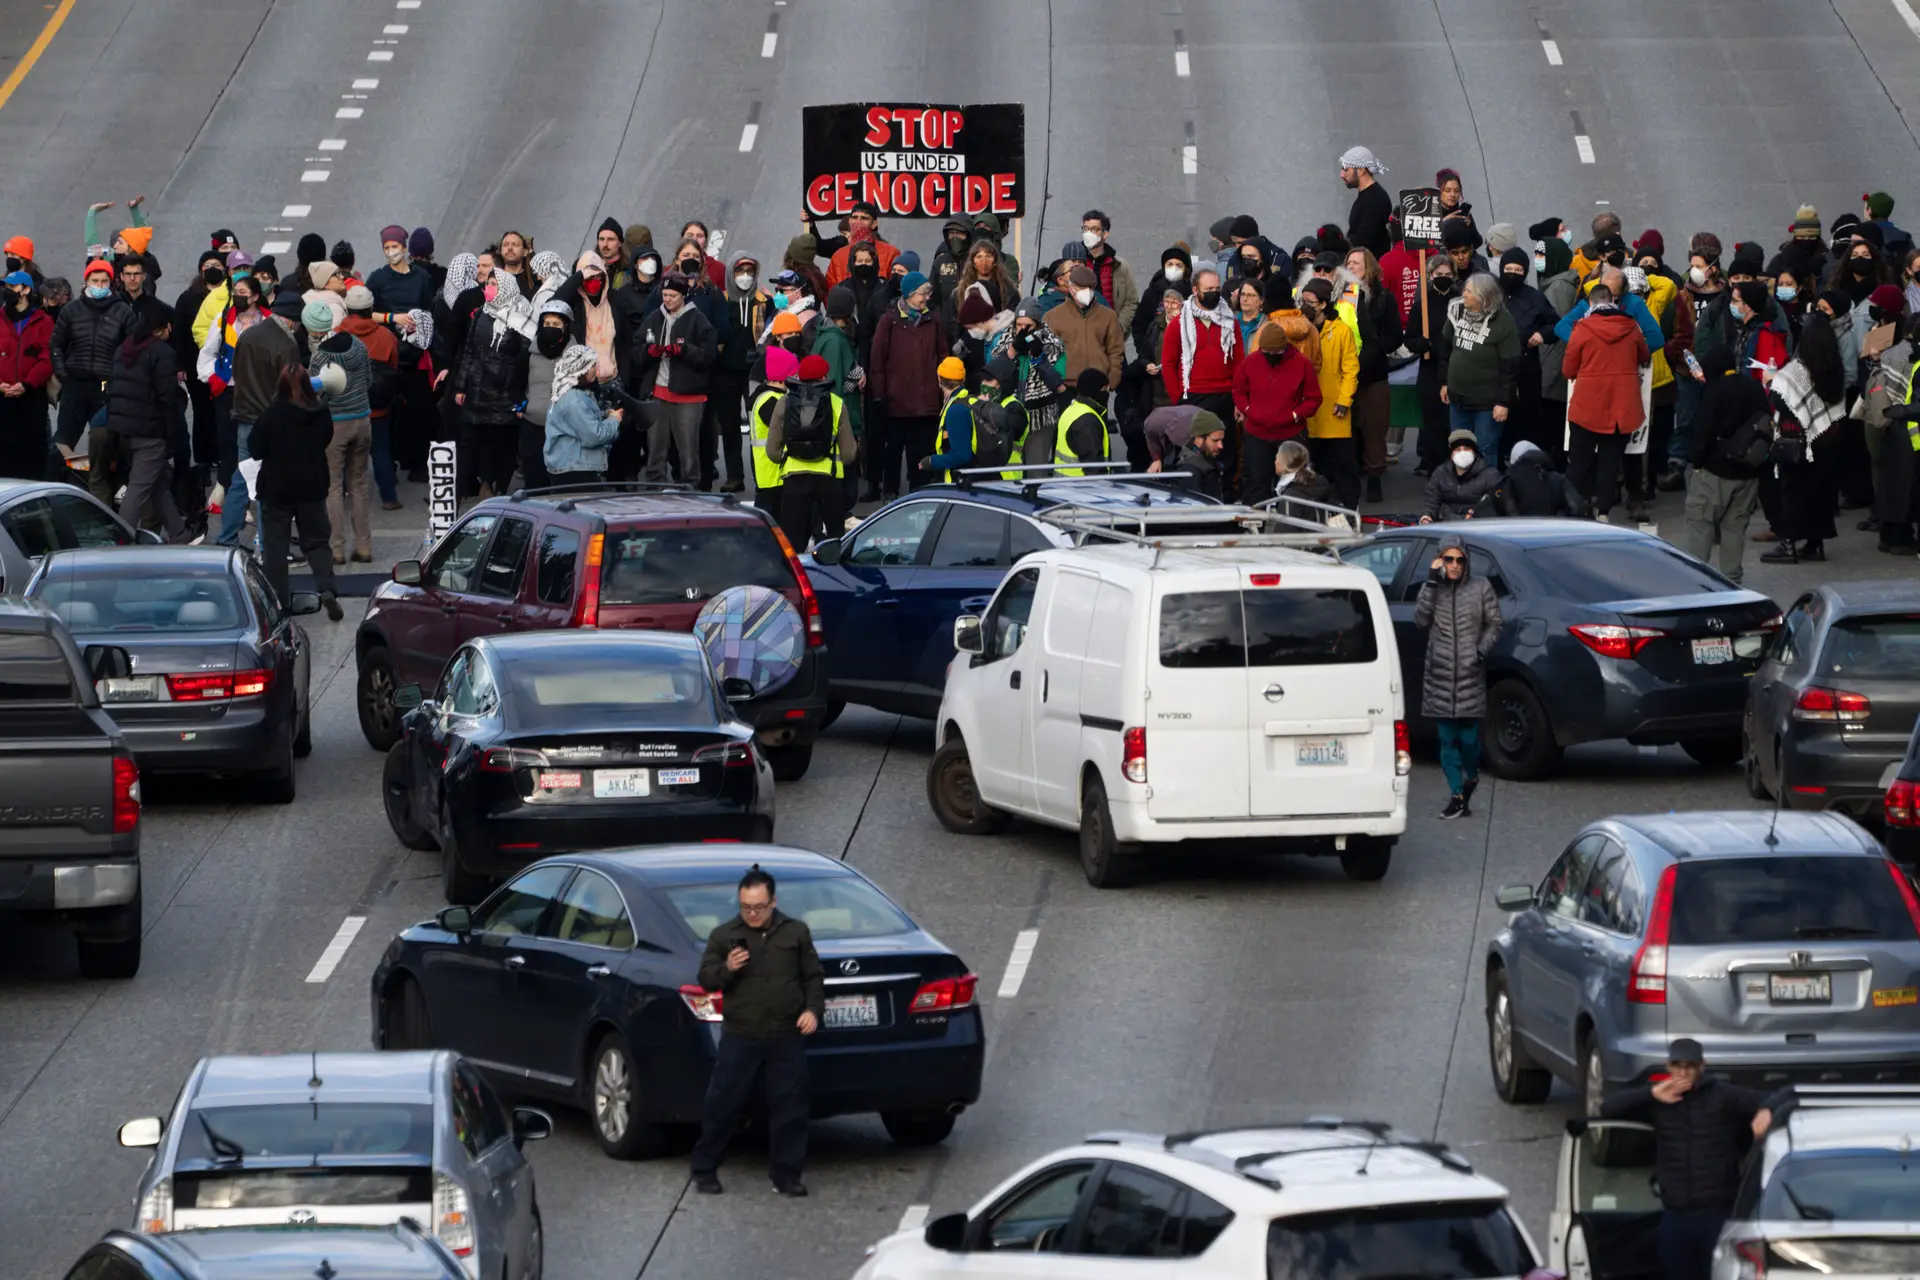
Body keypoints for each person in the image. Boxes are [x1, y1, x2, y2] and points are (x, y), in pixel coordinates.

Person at [689, 865, 824, 1197]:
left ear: (773, 902)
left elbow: (813, 977)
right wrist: (728, 968)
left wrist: (812, 1010)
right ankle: (705, 1168)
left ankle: (786, 1175)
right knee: (723, 1102)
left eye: (758, 907)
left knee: (790, 1105)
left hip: (785, 1033)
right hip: (742, 1033)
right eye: (745, 907)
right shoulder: (723, 936)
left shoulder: (796, 932)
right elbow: (706, 978)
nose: (751, 913)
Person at [1601, 1039, 1775, 1280]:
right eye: (1677, 1065)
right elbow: (1608, 1108)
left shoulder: (1723, 1097)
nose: (1683, 1073)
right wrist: (1651, 1093)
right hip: (1676, 1216)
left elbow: (1777, 1096)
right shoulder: (1658, 1103)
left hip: (1717, 1215)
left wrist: (1765, 1110)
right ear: (1668, 1067)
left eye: (1689, 1066)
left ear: (1702, 1066)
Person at [249, 363, 346, 619]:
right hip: (312, 487)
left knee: (276, 549)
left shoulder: (272, 414)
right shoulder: (320, 413)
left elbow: (255, 448)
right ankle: (327, 589)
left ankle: (279, 604)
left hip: (277, 489)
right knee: (316, 543)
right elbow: (326, 439)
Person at [1414, 536, 1501, 819]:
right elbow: (1420, 620)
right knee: (1447, 740)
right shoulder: (1433, 588)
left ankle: (1472, 776)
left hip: (1469, 675)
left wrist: (1479, 652)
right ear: (1440, 560)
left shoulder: (1481, 587)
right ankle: (1457, 795)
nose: (1454, 565)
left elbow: (1495, 623)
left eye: (1459, 560)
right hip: (1439, 676)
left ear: (1466, 561)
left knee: (1469, 742)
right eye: (1448, 559)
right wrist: (1430, 580)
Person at [1761, 312, 1848, 563]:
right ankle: (1815, 543)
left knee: (1791, 491)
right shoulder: (1834, 367)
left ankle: (1788, 544)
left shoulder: (1796, 370)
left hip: (1798, 440)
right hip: (1828, 436)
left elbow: (1781, 398)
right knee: (1820, 492)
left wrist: (1771, 380)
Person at [1680, 343, 1769, 581]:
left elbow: (1702, 432)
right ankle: (1732, 584)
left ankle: (1695, 583)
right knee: (1735, 529)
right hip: (1747, 472)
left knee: (1701, 527)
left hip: (1714, 472)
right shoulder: (1754, 387)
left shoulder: (1714, 391)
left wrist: (1694, 462)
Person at [102, 302, 190, 542]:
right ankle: (122, 541)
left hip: (125, 432)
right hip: (150, 433)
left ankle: (180, 534)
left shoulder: (124, 350)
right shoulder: (162, 352)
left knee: (157, 486)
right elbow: (167, 398)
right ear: (164, 326)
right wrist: (173, 436)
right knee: (138, 490)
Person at [1563, 283, 1650, 520]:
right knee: (1610, 462)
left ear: (1590, 304)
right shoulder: (1631, 326)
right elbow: (1644, 355)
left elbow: (1568, 368)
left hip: (1587, 405)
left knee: (1579, 462)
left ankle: (1573, 508)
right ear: (1613, 301)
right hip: (1622, 407)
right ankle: (1603, 512)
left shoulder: (1582, 328)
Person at [1162, 267, 1244, 490]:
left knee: (1225, 450)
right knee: (1192, 452)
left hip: (1224, 396)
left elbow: (1239, 362)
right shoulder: (1179, 324)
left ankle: (1225, 496)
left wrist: (1238, 398)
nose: (1214, 293)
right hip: (1193, 397)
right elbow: (1168, 365)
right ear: (1195, 290)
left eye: (1217, 289)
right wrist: (1177, 399)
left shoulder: (1230, 321)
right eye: (1209, 289)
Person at [307, 299, 374, 565]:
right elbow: (369, 380)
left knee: (333, 487)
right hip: (363, 420)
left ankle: (336, 548)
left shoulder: (321, 355)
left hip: (335, 424)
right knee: (358, 485)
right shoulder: (358, 345)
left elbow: (316, 391)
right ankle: (364, 546)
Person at [453, 272, 532, 498]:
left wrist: (520, 394)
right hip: (478, 390)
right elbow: (469, 351)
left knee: (504, 443)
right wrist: (461, 387)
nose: (489, 287)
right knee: (475, 441)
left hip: (505, 392)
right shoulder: (481, 314)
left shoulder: (521, 316)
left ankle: (501, 487)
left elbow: (525, 358)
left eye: (495, 284)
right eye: (488, 283)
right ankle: (479, 485)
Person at [634, 272, 718, 485]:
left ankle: (690, 493)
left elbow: (708, 356)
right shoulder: (654, 317)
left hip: (689, 398)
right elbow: (636, 349)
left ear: (684, 295)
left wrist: (683, 350)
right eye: (664, 294)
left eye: (672, 295)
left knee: (688, 454)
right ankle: (655, 492)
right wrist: (648, 351)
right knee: (655, 451)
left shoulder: (698, 320)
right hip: (658, 394)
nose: (667, 299)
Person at [869, 271, 948, 495]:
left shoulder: (934, 320)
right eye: (922, 294)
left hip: (926, 404)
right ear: (909, 294)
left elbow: (943, 356)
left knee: (921, 453)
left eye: (928, 293)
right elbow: (877, 361)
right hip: (896, 403)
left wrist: (943, 391)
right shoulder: (889, 321)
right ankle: (891, 494)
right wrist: (880, 395)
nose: (926, 298)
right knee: (893, 452)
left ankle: (919, 494)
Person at [1232, 322, 1321, 506]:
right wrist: (1249, 410)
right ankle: (1256, 527)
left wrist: (1295, 415)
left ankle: (1293, 523)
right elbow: (1238, 391)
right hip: (1257, 435)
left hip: (1291, 436)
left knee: (1296, 485)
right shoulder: (1250, 362)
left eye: (1275, 353)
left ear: (1283, 348)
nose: (1270, 356)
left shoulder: (1301, 363)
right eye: (1266, 352)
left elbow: (1314, 399)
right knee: (1255, 484)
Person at [52, 260, 134, 458]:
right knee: (62, 442)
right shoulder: (71, 310)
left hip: (106, 386)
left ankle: (102, 486)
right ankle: (56, 483)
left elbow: (131, 351)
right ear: (86, 281)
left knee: (105, 443)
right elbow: (56, 345)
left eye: (104, 281)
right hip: (75, 384)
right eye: (94, 280)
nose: (99, 285)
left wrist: (119, 380)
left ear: (111, 283)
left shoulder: (123, 311)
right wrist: (63, 374)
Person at [1438, 273, 1520, 460]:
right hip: (1457, 398)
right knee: (1459, 448)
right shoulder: (1458, 311)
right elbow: (1445, 347)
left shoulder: (1503, 322)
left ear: (1483, 297)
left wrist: (1503, 402)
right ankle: (1462, 489)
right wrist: (1444, 382)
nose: (1463, 294)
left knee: (1485, 449)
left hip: (1487, 403)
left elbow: (1511, 367)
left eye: (1468, 291)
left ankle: (1486, 489)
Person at [1298, 277, 1361, 508]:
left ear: (1323, 304)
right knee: (1313, 469)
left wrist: (1344, 401)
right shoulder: (1299, 330)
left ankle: (1349, 510)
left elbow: (1350, 370)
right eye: (1302, 301)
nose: (1304, 306)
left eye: (1309, 302)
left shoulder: (1342, 331)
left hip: (1335, 412)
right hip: (1307, 413)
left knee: (1343, 468)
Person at [338, 284, 401, 513]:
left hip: (344, 407)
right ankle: (389, 497)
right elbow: (394, 365)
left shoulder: (338, 333)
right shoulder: (385, 335)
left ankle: (341, 497)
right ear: (370, 308)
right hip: (377, 408)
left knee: (343, 454)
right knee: (381, 452)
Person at [542, 343, 623, 486]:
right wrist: (613, 420)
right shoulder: (574, 399)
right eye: (592, 366)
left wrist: (604, 415)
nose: (596, 370)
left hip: (569, 467)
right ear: (581, 368)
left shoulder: (566, 393)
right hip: (575, 471)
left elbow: (579, 421)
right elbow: (594, 436)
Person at [0, 272, 53, 479]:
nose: (7, 291)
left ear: (26, 290)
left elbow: (47, 358)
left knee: (32, 455)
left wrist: (27, 384)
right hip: (2, 399)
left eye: (12, 287)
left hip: (31, 399)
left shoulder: (43, 322)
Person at [1422, 429, 1503, 522]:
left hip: (1477, 525)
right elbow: (1431, 501)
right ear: (1451, 454)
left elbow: (1497, 505)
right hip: (1446, 523)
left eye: (1467, 449)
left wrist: (1478, 515)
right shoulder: (1441, 473)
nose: (1462, 453)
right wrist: (1426, 516)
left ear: (1474, 453)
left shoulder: (1490, 475)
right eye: (1457, 449)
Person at [918, 356, 974, 487]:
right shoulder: (968, 400)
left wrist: (932, 461)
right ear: (963, 379)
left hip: (960, 484)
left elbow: (962, 455)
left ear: (939, 379)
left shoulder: (956, 410)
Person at [1055, 368, 1113, 475]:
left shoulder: (1072, 409)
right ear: (1095, 390)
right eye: (1105, 388)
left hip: (1064, 485)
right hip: (1082, 487)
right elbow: (1094, 468)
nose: (1107, 392)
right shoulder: (1088, 422)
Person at [1340, 145, 1392, 258]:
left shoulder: (1375, 199)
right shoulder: (1369, 195)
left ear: (1361, 170)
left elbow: (1363, 239)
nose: (1342, 175)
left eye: (1346, 169)